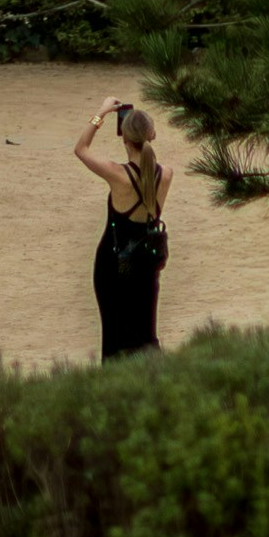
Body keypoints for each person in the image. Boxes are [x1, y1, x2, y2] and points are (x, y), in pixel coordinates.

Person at [73, 96, 168, 357]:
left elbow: (81, 148)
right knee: (146, 335)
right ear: (153, 135)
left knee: (114, 337)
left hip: (114, 265)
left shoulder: (118, 175)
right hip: (146, 265)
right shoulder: (166, 175)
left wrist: (101, 113)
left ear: (123, 138)